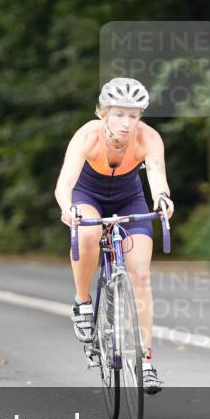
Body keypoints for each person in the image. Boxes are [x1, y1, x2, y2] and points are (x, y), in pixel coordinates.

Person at [54, 78, 175, 395]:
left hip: (129, 200)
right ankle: (82, 302)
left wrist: (163, 199)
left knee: (140, 276)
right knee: (89, 233)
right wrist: (69, 209)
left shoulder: (148, 139)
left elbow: (157, 178)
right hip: (88, 196)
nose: (126, 123)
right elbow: (64, 183)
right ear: (103, 113)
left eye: (133, 115)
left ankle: (146, 362)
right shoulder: (88, 135)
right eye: (119, 114)